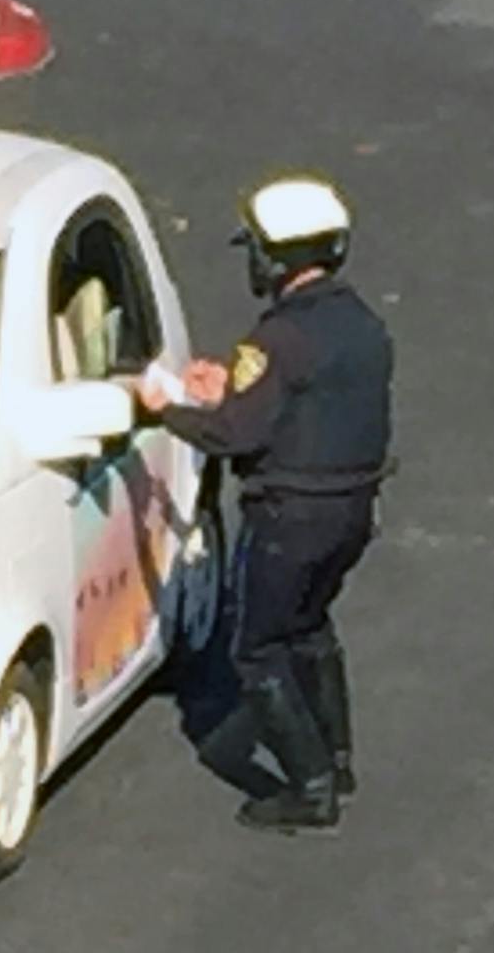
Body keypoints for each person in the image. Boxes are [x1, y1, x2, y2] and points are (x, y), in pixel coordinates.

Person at [137, 175, 394, 835]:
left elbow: (236, 435)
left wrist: (167, 409)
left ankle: (309, 787)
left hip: (288, 516)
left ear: (274, 258)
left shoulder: (275, 339)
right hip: (351, 512)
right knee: (310, 627)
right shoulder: (361, 323)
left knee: (256, 647)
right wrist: (231, 387)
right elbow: (308, 405)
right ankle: (337, 759)